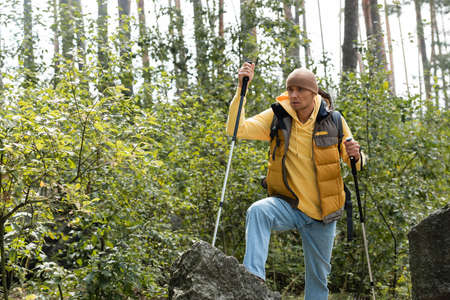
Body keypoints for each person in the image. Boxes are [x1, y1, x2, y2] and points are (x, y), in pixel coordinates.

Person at [226, 62, 365, 300]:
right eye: (290, 89)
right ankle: (253, 282)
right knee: (258, 211)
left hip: (323, 212)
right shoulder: (278, 116)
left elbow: (356, 163)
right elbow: (235, 129)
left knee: (318, 279)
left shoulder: (335, 121)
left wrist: (356, 154)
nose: (294, 95)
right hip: (289, 204)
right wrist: (242, 89)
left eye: (300, 90)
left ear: (314, 93)